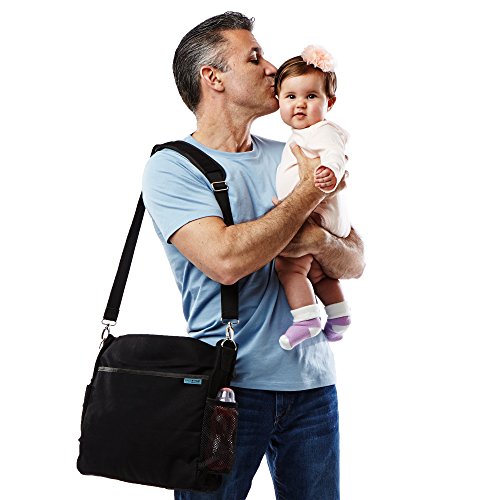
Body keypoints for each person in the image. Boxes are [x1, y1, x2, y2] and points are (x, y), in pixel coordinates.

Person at [142, 11, 364, 500]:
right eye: (254, 57)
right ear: (213, 77)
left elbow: (355, 260)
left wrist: (318, 242)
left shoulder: (290, 153)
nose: (272, 69)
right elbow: (225, 261)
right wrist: (309, 192)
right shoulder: (173, 167)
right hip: (227, 389)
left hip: (312, 387)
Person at [274, 46, 352, 351]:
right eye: (291, 97)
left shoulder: (322, 130)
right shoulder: (303, 136)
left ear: (329, 102)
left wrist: (329, 173)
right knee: (318, 272)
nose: (300, 104)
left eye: (311, 96)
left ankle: (306, 319)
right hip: (322, 217)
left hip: (316, 214)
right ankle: (339, 315)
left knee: (289, 267)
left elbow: (335, 155)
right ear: (278, 100)